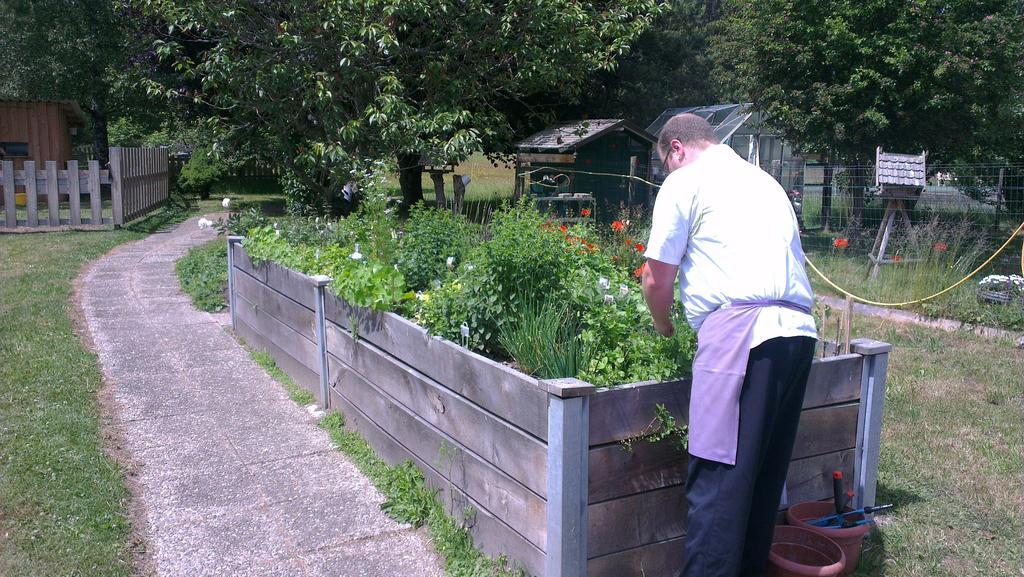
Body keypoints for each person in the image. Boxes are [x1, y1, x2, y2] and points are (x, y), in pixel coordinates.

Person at [641, 113, 817, 577]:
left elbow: (655, 279)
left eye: (666, 164)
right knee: (759, 483)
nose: (667, 173)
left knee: (717, 486)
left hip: (741, 337)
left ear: (676, 149)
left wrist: (664, 328)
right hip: (797, 336)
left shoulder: (685, 182)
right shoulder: (766, 183)